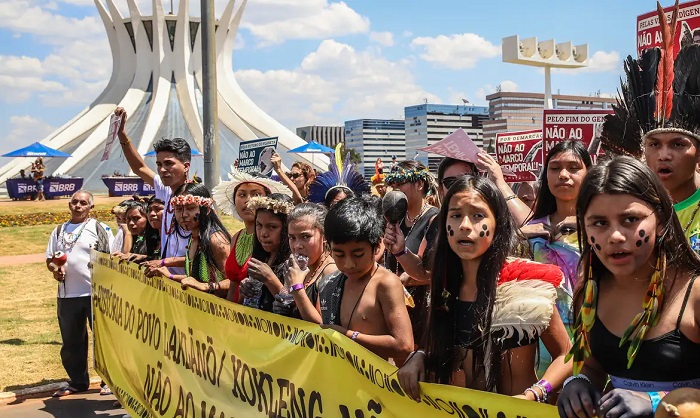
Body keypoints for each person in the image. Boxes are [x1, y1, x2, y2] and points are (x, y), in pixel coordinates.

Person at [397, 176, 571, 403]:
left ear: (498, 222)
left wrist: (535, 393)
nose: (464, 225)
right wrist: (419, 356)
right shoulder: (445, 287)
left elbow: (567, 354)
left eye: (478, 216)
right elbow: (436, 345)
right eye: (456, 215)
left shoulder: (525, 282)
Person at [558, 156, 700, 418]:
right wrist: (580, 383)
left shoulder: (695, 293)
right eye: (599, 223)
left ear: (660, 220)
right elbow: (593, 367)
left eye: (630, 219)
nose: (615, 236)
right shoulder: (589, 294)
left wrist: (657, 402)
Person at [600, 39, 700, 251]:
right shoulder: (626, 208)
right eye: (654, 144)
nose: (664, 155)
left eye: (678, 144)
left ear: (698, 152)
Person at [318, 196, 414, 362]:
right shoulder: (330, 283)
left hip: (375, 376)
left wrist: (348, 336)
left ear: (377, 246)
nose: (349, 264)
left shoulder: (385, 283)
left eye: (358, 254)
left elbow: (404, 346)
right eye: (339, 254)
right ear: (328, 247)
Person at [46, 190, 114, 397]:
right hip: (68, 295)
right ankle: (78, 381)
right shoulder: (59, 230)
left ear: (91, 207)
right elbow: (50, 260)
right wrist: (55, 269)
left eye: (83, 203)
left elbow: (113, 257)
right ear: (69, 205)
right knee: (71, 341)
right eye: (74, 202)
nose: (78, 206)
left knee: (104, 340)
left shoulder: (100, 228)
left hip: (97, 294)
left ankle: (109, 381)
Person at [523, 140, 592, 328]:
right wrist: (518, 236)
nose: (563, 175)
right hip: (542, 330)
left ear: (589, 173)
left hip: (590, 328)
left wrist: (587, 225)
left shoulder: (602, 227)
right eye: (554, 168)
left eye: (573, 168)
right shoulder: (531, 229)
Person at [114, 107, 191, 274]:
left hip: (190, 281)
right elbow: (139, 167)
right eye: (159, 164)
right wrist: (122, 135)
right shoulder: (165, 190)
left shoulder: (196, 198)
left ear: (186, 166)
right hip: (167, 278)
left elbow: (202, 253)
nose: (162, 169)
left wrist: (163, 262)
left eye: (169, 163)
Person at [211, 169, 291, 303]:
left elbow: (290, 301)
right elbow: (233, 286)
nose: (248, 200)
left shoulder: (272, 242)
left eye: (256, 194)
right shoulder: (236, 237)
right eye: (242, 195)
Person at [383, 160, 438, 346]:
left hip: (423, 308)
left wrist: (403, 279)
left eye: (400, 184)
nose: (395, 191)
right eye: (393, 185)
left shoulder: (434, 218)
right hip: (396, 305)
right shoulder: (396, 218)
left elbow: (431, 272)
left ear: (419, 184)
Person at [149, 183, 232, 296]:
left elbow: (233, 282)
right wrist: (169, 276)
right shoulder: (194, 238)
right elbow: (195, 279)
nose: (183, 214)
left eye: (191, 208)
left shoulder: (216, 240)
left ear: (207, 209)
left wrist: (206, 286)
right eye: (178, 209)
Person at [279, 203, 337, 321]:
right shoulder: (297, 267)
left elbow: (323, 324)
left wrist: (297, 288)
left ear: (324, 237)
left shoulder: (330, 272)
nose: (297, 245)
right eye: (292, 238)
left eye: (305, 237)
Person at [240, 194, 294, 311]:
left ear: (287, 228)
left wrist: (270, 279)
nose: (263, 233)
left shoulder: (294, 264)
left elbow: (293, 308)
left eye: (272, 227)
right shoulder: (261, 257)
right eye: (259, 225)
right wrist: (245, 288)